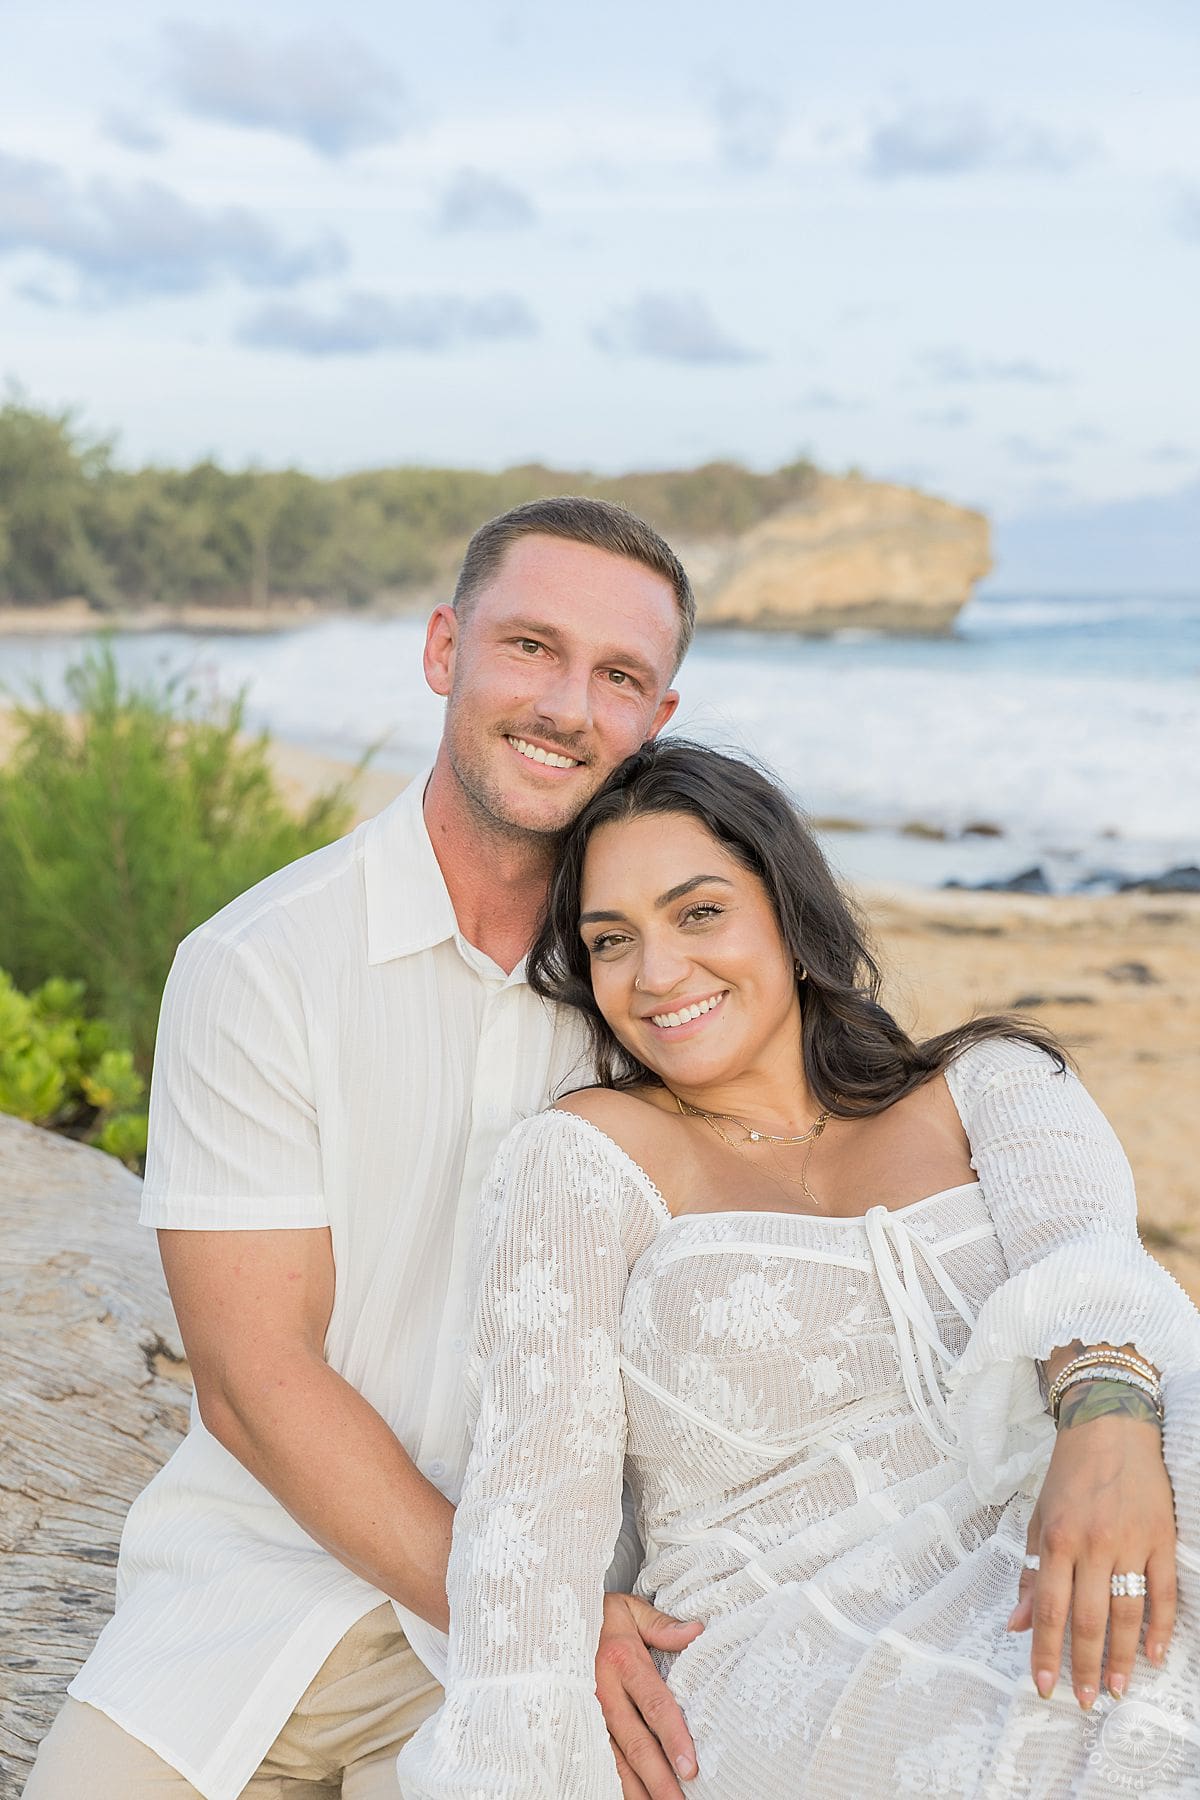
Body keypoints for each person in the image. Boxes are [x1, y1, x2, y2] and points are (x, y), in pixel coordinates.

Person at [23, 499, 708, 1800]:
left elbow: (912, 1130)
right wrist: (530, 1610)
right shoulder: (260, 965)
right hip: (258, 1606)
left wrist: (1107, 1391)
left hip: (587, 1625)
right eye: (531, 648)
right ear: (445, 649)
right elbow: (253, 1374)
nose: (568, 704)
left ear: (657, 721)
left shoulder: (671, 991)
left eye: (618, 676)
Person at [398, 740, 1200, 1798]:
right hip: (789, 1637)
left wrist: (1106, 1419)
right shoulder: (588, 1153)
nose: (658, 974)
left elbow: (1089, 1258)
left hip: (1055, 1523)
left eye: (699, 913)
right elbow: (531, 1501)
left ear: (789, 910)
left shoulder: (994, 1084)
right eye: (611, 939)